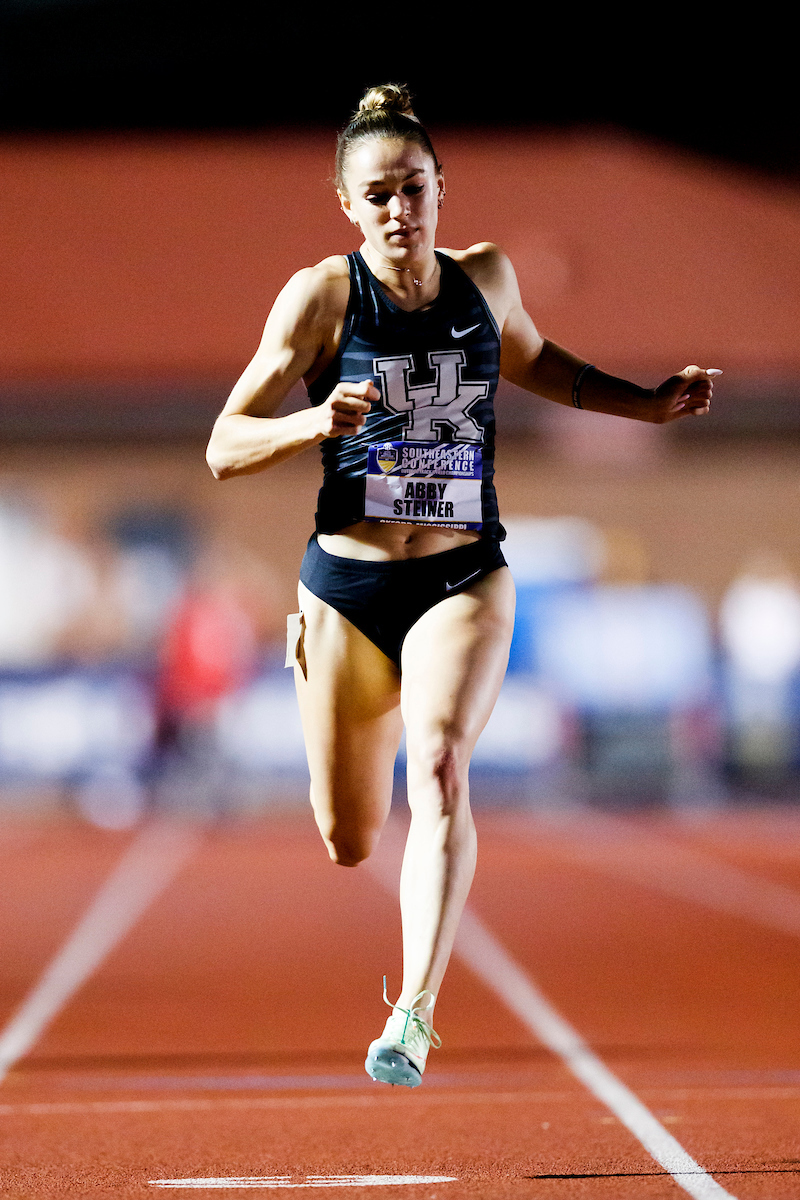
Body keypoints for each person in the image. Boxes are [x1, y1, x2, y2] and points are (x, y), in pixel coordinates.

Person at [206, 83, 719, 1088]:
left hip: (461, 576)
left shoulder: (484, 280)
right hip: (347, 588)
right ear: (348, 206)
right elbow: (224, 445)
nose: (400, 210)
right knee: (348, 837)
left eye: (415, 188)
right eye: (379, 195)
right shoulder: (319, 297)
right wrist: (313, 423)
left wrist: (644, 405)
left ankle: (412, 1013)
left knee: (439, 763)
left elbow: (539, 364)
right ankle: (345, 678)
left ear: (443, 189)